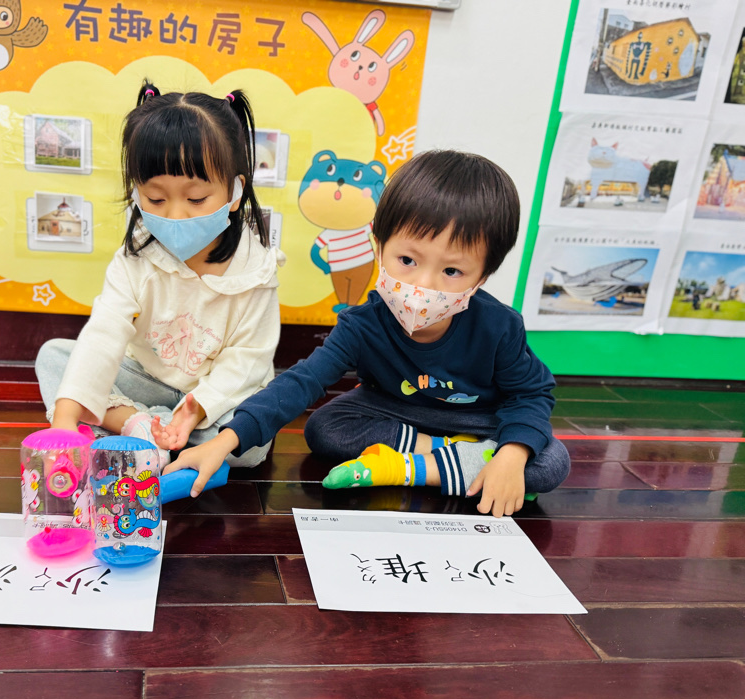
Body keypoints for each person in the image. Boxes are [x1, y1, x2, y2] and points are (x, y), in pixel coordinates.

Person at [165, 149, 570, 516]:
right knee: (324, 428)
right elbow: (303, 381)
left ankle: (405, 469)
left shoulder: (499, 325)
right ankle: (463, 459)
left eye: (452, 270)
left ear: (483, 275)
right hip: (396, 411)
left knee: (551, 461)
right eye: (407, 260)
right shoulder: (363, 324)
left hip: (479, 419)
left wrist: (512, 454)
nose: (423, 285)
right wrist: (224, 441)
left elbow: (531, 394)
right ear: (378, 244)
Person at [35, 82, 285, 468]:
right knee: (54, 357)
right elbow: (103, 334)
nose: (175, 215)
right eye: (156, 198)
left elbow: (247, 361)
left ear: (235, 192)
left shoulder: (256, 270)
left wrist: (193, 411)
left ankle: (149, 430)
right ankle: (139, 424)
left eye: (196, 198)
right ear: (137, 192)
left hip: (213, 399)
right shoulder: (135, 259)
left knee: (250, 444)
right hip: (147, 381)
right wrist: (64, 423)